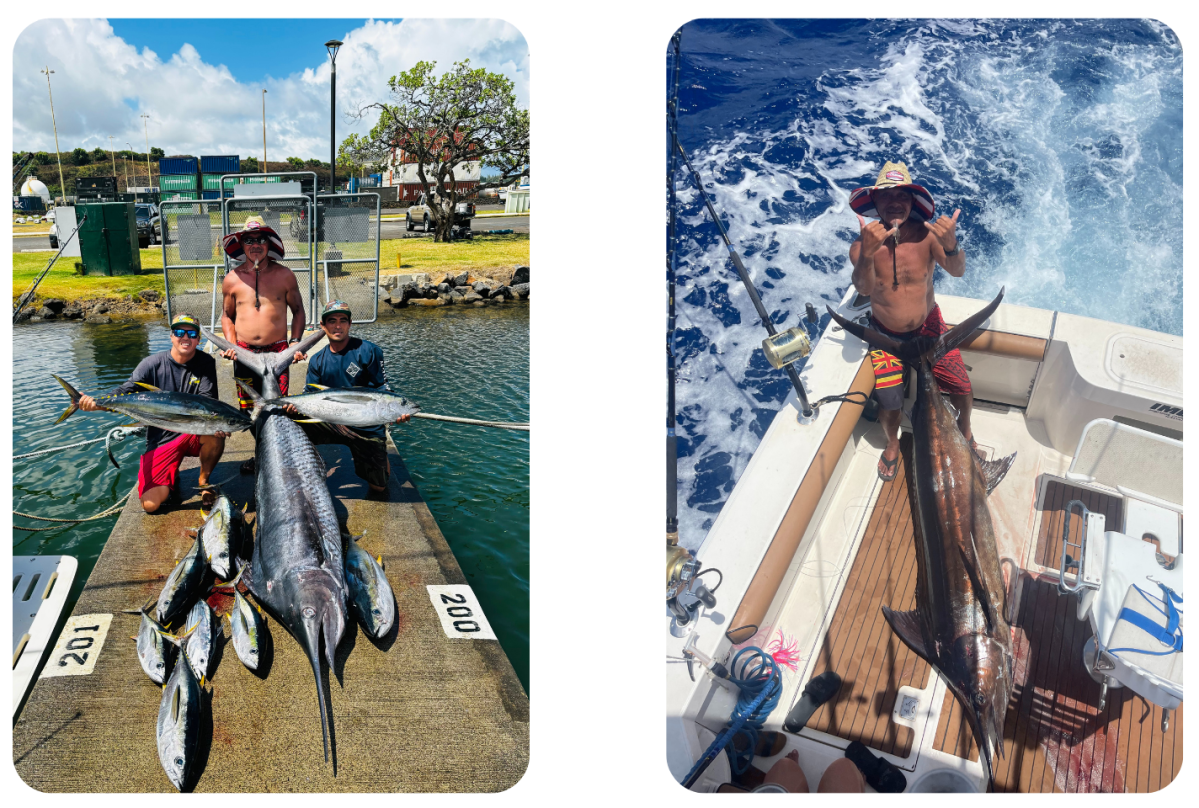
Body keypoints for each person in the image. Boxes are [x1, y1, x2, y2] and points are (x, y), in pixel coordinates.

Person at [848, 160, 980, 482]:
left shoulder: (927, 236)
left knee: (962, 387)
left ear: (912, 201)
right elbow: (864, 288)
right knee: (889, 402)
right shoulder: (861, 245)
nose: (895, 203)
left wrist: (952, 245)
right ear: (875, 203)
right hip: (886, 334)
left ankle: (966, 431)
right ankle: (892, 445)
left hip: (930, 328)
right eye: (887, 196)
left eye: (903, 196)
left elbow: (958, 270)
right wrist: (867, 254)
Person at [75, 313, 231, 512]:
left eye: (191, 333)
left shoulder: (206, 363)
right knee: (150, 505)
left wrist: (219, 423)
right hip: (162, 437)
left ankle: (203, 482)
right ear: (171, 336)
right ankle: (170, 473)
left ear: (198, 339)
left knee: (215, 433)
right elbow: (125, 392)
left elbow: (208, 403)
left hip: (192, 431)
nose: (185, 337)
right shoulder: (151, 364)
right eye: (179, 332)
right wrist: (95, 403)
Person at [282, 300, 411, 498]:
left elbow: (382, 386)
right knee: (287, 420)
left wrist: (395, 409)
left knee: (379, 488)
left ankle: (379, 456)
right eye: (332, 321)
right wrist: (294, 405)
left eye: (343, 320)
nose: (338, 326)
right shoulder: (317, 360)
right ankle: (295, 473)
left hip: (365, 426)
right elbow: (310, 395)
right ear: (323, 326)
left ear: (350, 324)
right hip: (331, 421)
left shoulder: (369, 351)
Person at [214, 215, 308, 474]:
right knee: (251, 410)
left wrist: (296, 343)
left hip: (277, 352)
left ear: (269, 244)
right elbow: (227, 316)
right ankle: (262, 454)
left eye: (260, 240)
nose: (255, 245)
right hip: (245, 354)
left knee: (278, 407)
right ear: (241, 245)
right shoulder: (231, 279)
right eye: (249, 240)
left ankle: (280, 455)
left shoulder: (285, 275)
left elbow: (298, 311)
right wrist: (232, 345)